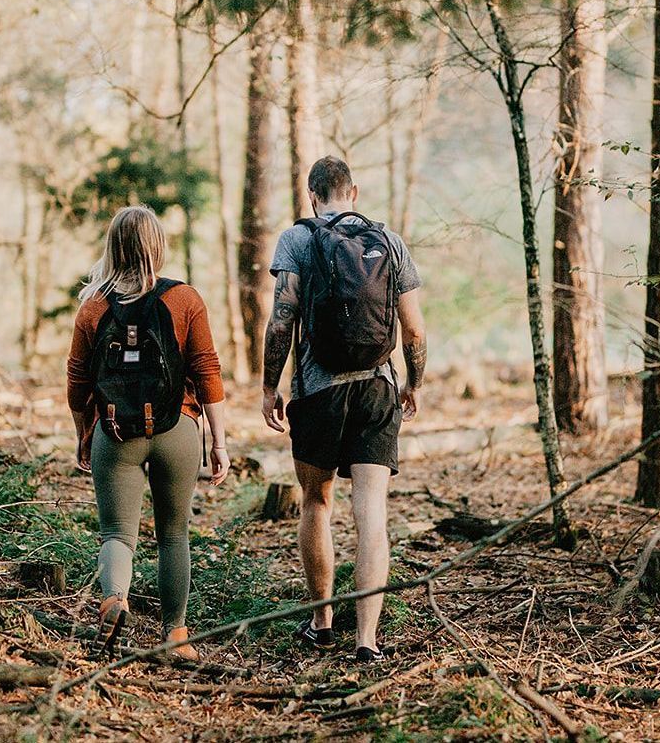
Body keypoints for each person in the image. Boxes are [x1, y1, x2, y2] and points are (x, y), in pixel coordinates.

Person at [263, 156, 427, 662]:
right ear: (353, 192)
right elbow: (415, 330)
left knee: (316, 502)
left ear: (312, 195)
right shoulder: (389, 242)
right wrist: (414, 383)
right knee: (371, 512)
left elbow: (280, 321)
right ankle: (367, 640)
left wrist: (270, 387)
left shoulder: (297, 239)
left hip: (318, 391)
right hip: (378, 390)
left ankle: (322, 623)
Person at [67, 206, 231, 659]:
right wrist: (218, 441)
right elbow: (207, 369)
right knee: (173, 534)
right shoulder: (184, 299)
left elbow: (78, 380)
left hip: (116, 433)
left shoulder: (93, 307)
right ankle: (176, 636)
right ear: (157, 246)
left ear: (112, 248)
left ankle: (114, 599)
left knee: (117, 533)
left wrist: (84, 431)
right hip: (177, 428)